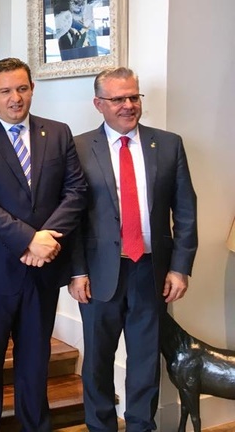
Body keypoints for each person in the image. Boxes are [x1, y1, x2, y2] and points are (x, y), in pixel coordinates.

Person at [0, 57, 87, 432]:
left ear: (32, 89)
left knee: (35, 360)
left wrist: (46, 239)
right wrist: (29, 239)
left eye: (22, 89)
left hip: (44, 270)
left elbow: (76, 191)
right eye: (6, 91)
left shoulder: (58, 133)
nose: (15, 98)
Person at [69, 67, 197, 432]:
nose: (128, 105)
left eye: (133, 97)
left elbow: (185, 210)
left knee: (145, 360)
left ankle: (141, 426)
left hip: (151, 270)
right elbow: (72, 217)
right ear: (99, 104)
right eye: (118, 99)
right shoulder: (78, 147)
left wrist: (180, 267)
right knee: (98, 359)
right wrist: (76, 271)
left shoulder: (168, 144)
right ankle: (100, 426)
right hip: (99, 273)